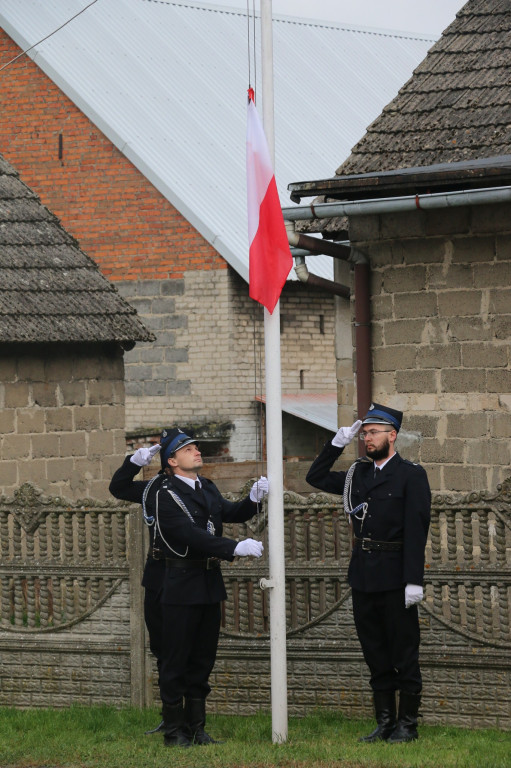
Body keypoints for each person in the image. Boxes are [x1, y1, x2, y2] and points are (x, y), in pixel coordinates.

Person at [109, 427, 268, 748]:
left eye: (196, 447)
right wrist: (232, 548)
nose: (197, 451)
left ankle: (197, 728)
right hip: (175, 582)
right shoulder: (160, 491)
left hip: (207, 582)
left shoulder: (206, 487)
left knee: (202, 659)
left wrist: (253, 499)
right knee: (174, 658)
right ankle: (174, 731)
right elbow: (186, 532)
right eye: (188, 448)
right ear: (172, 460)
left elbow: (229, 512)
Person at [306, 403, 431, 743]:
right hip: (363, 577)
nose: (367, 438)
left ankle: (407, 726)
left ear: (393, 435)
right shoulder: (356, 475)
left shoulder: (411, 475)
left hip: (395, 578)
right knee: (375, 653)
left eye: (373, 432)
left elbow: (416, 532)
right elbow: (314, 477)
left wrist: (413, 581)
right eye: (364, 434)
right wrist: (335, 444)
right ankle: (385, 723)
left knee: (404, 654)